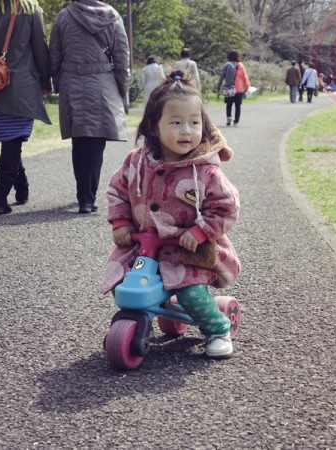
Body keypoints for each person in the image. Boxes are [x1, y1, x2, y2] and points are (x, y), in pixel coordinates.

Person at [101, 70, 241, 359]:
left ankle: (217, 328)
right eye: (176, 123)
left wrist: (200, 230)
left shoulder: (205, 172)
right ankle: (142, 321)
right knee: (122, 284)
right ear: (154, 126)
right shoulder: (136, 162)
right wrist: (121, 221)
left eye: (194, 123)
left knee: (190, 293)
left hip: (187, 250)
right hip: (143, 248)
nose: (186, 131)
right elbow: (116, 190)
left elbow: (227, 207)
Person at [0, 0, 52, 215]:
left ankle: (22, 189)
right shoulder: (30, 8)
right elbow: (39, 49)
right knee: (12, 144)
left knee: (11, 142)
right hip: (22, 88)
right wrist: (46, 82)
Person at [49, 0, 130, 214]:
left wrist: (57, 83)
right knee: (96, 142)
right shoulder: (112, 16)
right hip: (102, 84)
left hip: (72, 82)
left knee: (79, 140)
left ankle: (83, 195)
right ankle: (88, 198)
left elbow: (54, 55)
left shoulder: (63, 16)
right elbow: (121, 56)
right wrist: (123, 87)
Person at [217, 50, 250, 127]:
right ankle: (236, 121)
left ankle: (229, 118)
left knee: (229, 105)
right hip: (239, 90)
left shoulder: (226, 65)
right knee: (237, 106)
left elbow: (221, 77)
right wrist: (247, 86)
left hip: (229, 89)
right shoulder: (241, 66)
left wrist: (218, 86)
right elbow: (245, 77)